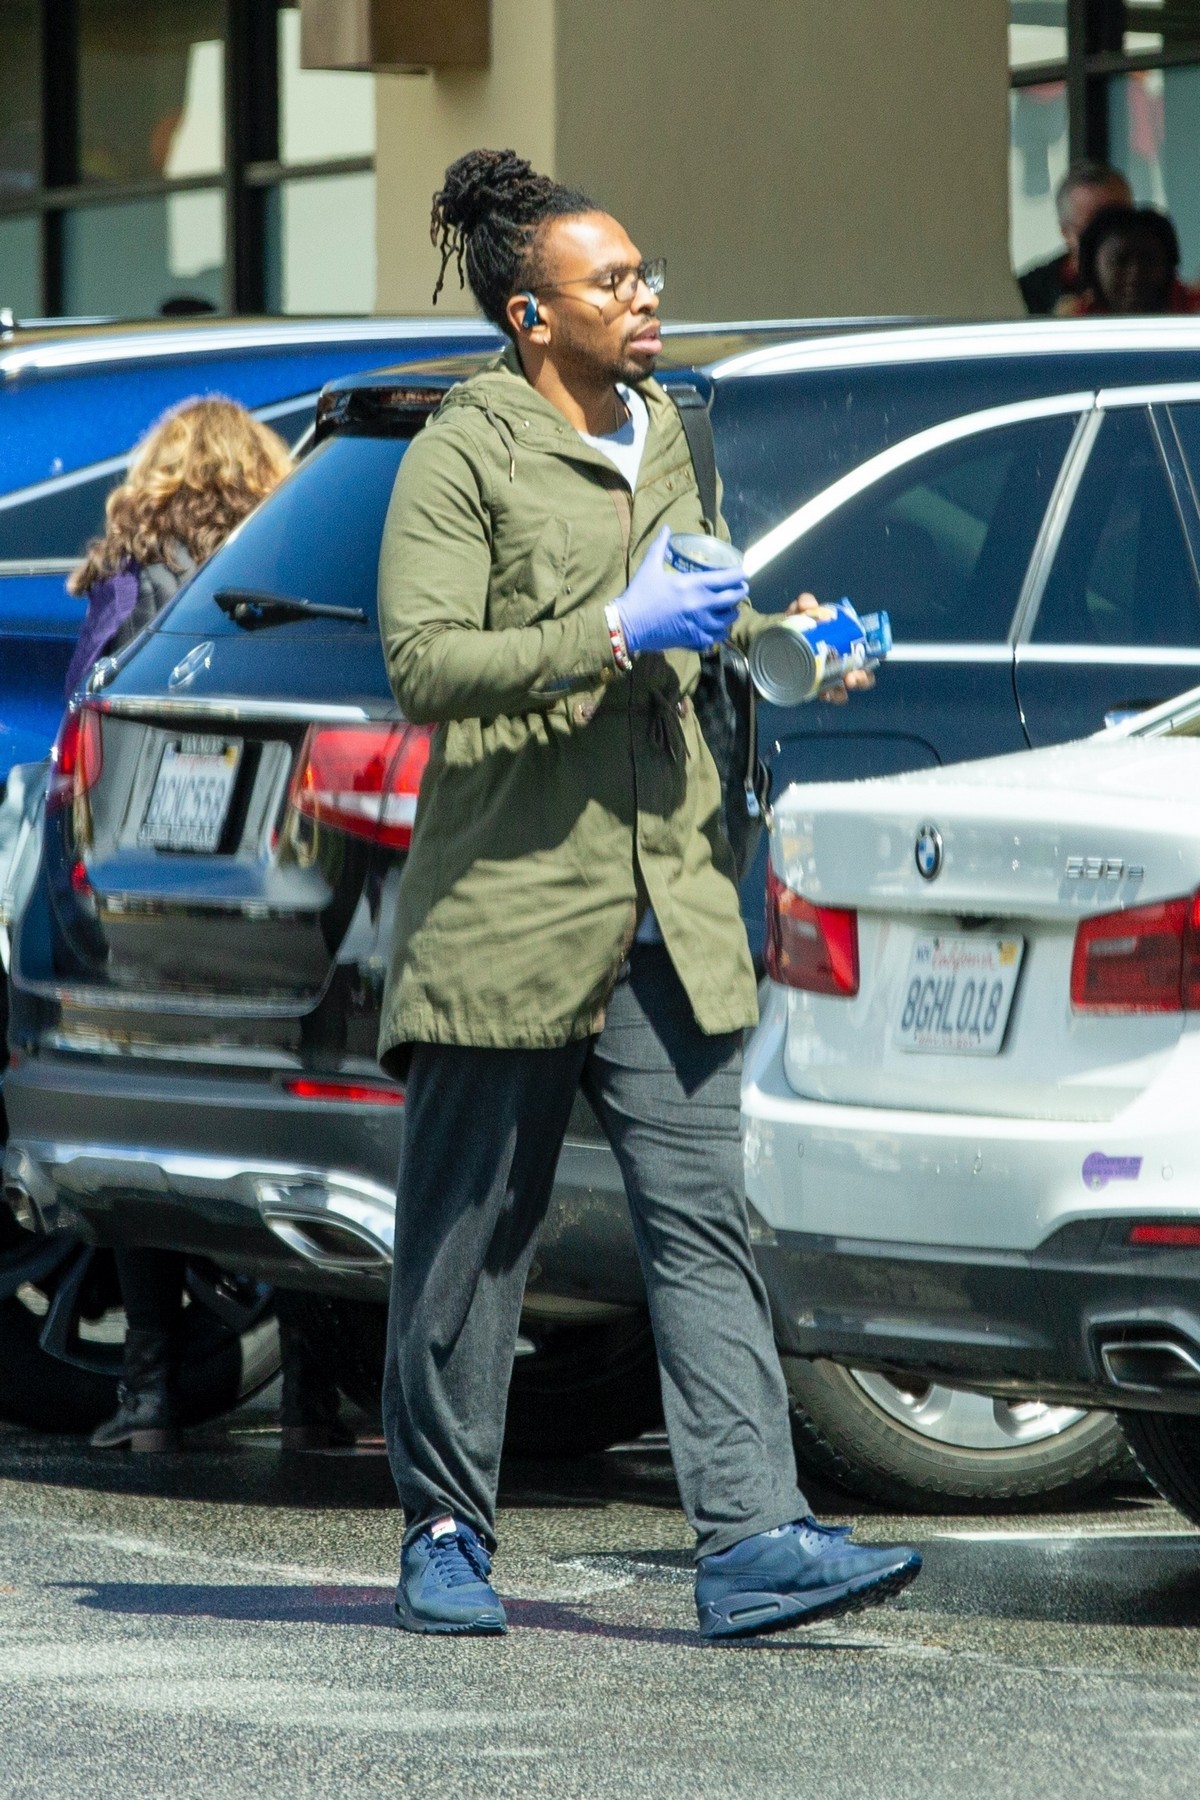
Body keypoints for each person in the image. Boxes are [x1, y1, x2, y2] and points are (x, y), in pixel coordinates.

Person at [376, 148, 922, 1642]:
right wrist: (609, 628)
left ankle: (750, 1540)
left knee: (702, 1221)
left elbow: (705, 591)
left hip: (667, 902)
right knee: (475, 1232)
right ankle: (442, 1529)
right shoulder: (462, 455)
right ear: (529, 318)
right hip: (513, 902)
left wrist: (777, 633)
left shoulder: (668, 430)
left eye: (645, 274)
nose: (645, 298)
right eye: (611, 282)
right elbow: (424, 666)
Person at [70, 399, 349, 1454]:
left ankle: (146, 1396)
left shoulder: (129, 587)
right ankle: (314, 1400)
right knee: (291, 1134)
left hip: (146, 905)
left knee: (150, 1144)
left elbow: (81, 722)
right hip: (275, 902)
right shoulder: (292, 588)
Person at [1018, 160, 1132, 315]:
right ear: (1065, 232)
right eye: (1095, 226)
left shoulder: (1156, 280)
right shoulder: (1029, 293)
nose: (1112, 234)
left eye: (1122, 220)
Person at [1058, 204, 1200, 316]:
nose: (1135, 272)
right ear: (1094, 269)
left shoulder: (1193, 312)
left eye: (1148, 260)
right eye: (1120, 261)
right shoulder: (1072, 325)